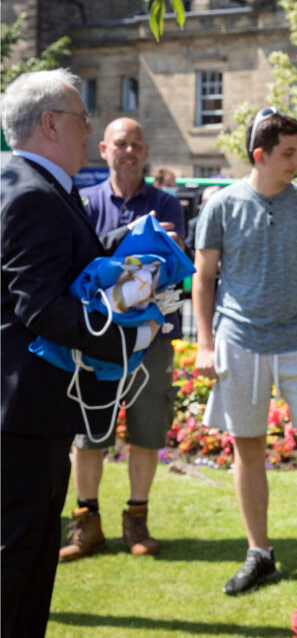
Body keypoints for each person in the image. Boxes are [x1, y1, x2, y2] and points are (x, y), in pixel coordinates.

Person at [1, 69, 157, 637]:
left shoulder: (31, 184)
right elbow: (41, 305)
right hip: (23, 415)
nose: (90, 130)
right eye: (82, 118)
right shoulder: (31, 193)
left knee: (31, 560)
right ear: (49, 124)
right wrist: (131, 337)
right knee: (17, 561)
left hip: (31, 410)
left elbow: (58, 268)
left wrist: (124, 246)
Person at [192, 108, 297, 596]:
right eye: (288, 153)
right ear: (260, 155)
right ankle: (259, 555)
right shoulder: (221, 205)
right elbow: (203, 278)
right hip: (238, 341)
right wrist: (204, 344)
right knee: (249, 447)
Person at [58, 118, 185, 562]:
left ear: (145, 150)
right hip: (97, 338)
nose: (128, 151)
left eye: (135, 144)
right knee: (88, 432)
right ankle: (87, 525)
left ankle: (137, 521)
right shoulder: (84, 202)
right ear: (103, 149)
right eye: (120, 144)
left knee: (147, 430)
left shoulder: (167, 203)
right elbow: (77, 266)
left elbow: (173, 269)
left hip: (152, 338)